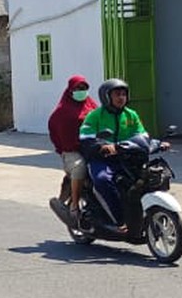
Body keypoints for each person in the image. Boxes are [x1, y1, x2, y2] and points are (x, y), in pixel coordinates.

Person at [77, 77, 159, 233]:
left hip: (126, 158)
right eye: (117, 94)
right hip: (102, 159)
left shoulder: (131, 115)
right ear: (107, 97)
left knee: (145, 178)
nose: (121, 97)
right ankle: (119, 220)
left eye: (123, 94)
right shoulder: (95, 115)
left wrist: (156, 143)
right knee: (103, 180)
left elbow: (141, 135)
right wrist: (102, 146)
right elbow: (86, 138)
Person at [47, 75, 96, 219]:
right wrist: (63, 148)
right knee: (80, 167)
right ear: (70, 90)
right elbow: (54, 131)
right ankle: (74, 205)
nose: (82, 91)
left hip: (93, 147)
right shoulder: (61, 112)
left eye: (84, 88)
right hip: (72, 151)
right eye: (78, 88)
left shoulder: (91, 106)